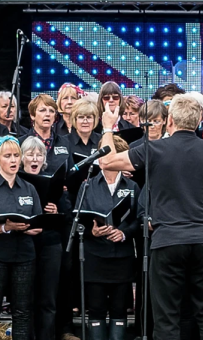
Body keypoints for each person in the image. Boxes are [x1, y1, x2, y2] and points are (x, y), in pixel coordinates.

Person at [99, 94, 203, 340]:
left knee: (166, 319)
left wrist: (109, 127)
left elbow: (107, 162)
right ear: (198, 123)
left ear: (170, 120)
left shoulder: (154, 149)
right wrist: (202, 196)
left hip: (168, 242)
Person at [0, 136, 43, 340]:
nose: (13, 160)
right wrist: (6, 227)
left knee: (22, 311)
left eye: (16, 155)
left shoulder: (29, 188)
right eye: (8, 156)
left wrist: (27, 228)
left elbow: (38, 224)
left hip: (24, 255)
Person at [77, 135, 140, 340]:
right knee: (95, 308)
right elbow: (78, 221)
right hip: (95, 256)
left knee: (119, 309)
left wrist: (124, 233)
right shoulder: (88, 185)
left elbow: (138, 220)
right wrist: (91, 231)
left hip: (122, 257)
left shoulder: (132, 188)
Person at [20, 137, 63, 340]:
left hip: (49, 243)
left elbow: (68, 214)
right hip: (24, 244)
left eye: (39, 155)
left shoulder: (51, 180)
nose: (35, 158)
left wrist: (56, 209)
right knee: (25, 299)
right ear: (22, 158)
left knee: (47, 299)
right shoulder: (17, 183)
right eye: (30, 154)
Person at [20, 94, 71, 174]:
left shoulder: (65, 143)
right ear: (32, 115)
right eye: (42, 110)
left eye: (51, 111)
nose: (48, 114)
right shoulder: (20, 143)